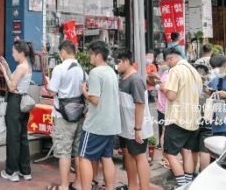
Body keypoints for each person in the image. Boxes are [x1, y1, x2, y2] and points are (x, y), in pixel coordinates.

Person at [45, 40, 87, 190]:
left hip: (63, 116)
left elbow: (52, 91)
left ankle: (63, 186)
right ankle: (78, 183)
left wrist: (48, 84)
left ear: (63, 52)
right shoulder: (82, 69)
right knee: (77, 151)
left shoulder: (59, 68)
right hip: (79, 115)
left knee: (64, 151)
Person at [79, 41, 121, 190]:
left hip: (96, 125)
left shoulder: (95, 72)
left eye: (91, 54)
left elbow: (95, 99)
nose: (89, 57)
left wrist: (84, 92)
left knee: (84, 157)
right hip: (111, 124)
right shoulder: (111, 71)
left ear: (97, 55)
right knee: (107, 157)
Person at [162, 48, 202, 187]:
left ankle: (181, 186)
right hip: (193, 118)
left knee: (169, 154)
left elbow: (171, 95)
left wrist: (162, 88)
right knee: (187, 152)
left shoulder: (175, 71)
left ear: (170, 59)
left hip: (178, 118)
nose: (168, 64)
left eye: (168, 61)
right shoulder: (194, 70)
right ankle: (189, 185)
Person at [116, 49, 154, 190]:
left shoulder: (135, 79)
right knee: (128, 155)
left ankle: (144, 187)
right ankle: (132, 186)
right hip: (127, 126)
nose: (117, 66)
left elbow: (140, 105)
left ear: (126, 61)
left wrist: (138, 129)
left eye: (118, 62)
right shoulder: (124, 78)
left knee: (139, 156)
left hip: (135, 127)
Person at [0, 40, 33, 182]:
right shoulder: (27, 66)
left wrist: (4, 72)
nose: (12, 54)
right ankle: (26, 171)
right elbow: (16, 82)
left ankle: (11, 171)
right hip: (24, 102)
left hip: (15, 102)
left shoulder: (21, 67)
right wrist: (7, 67)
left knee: (13, 138)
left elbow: (11, 87)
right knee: (22, 137)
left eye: (13, 51)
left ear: (21, 52)